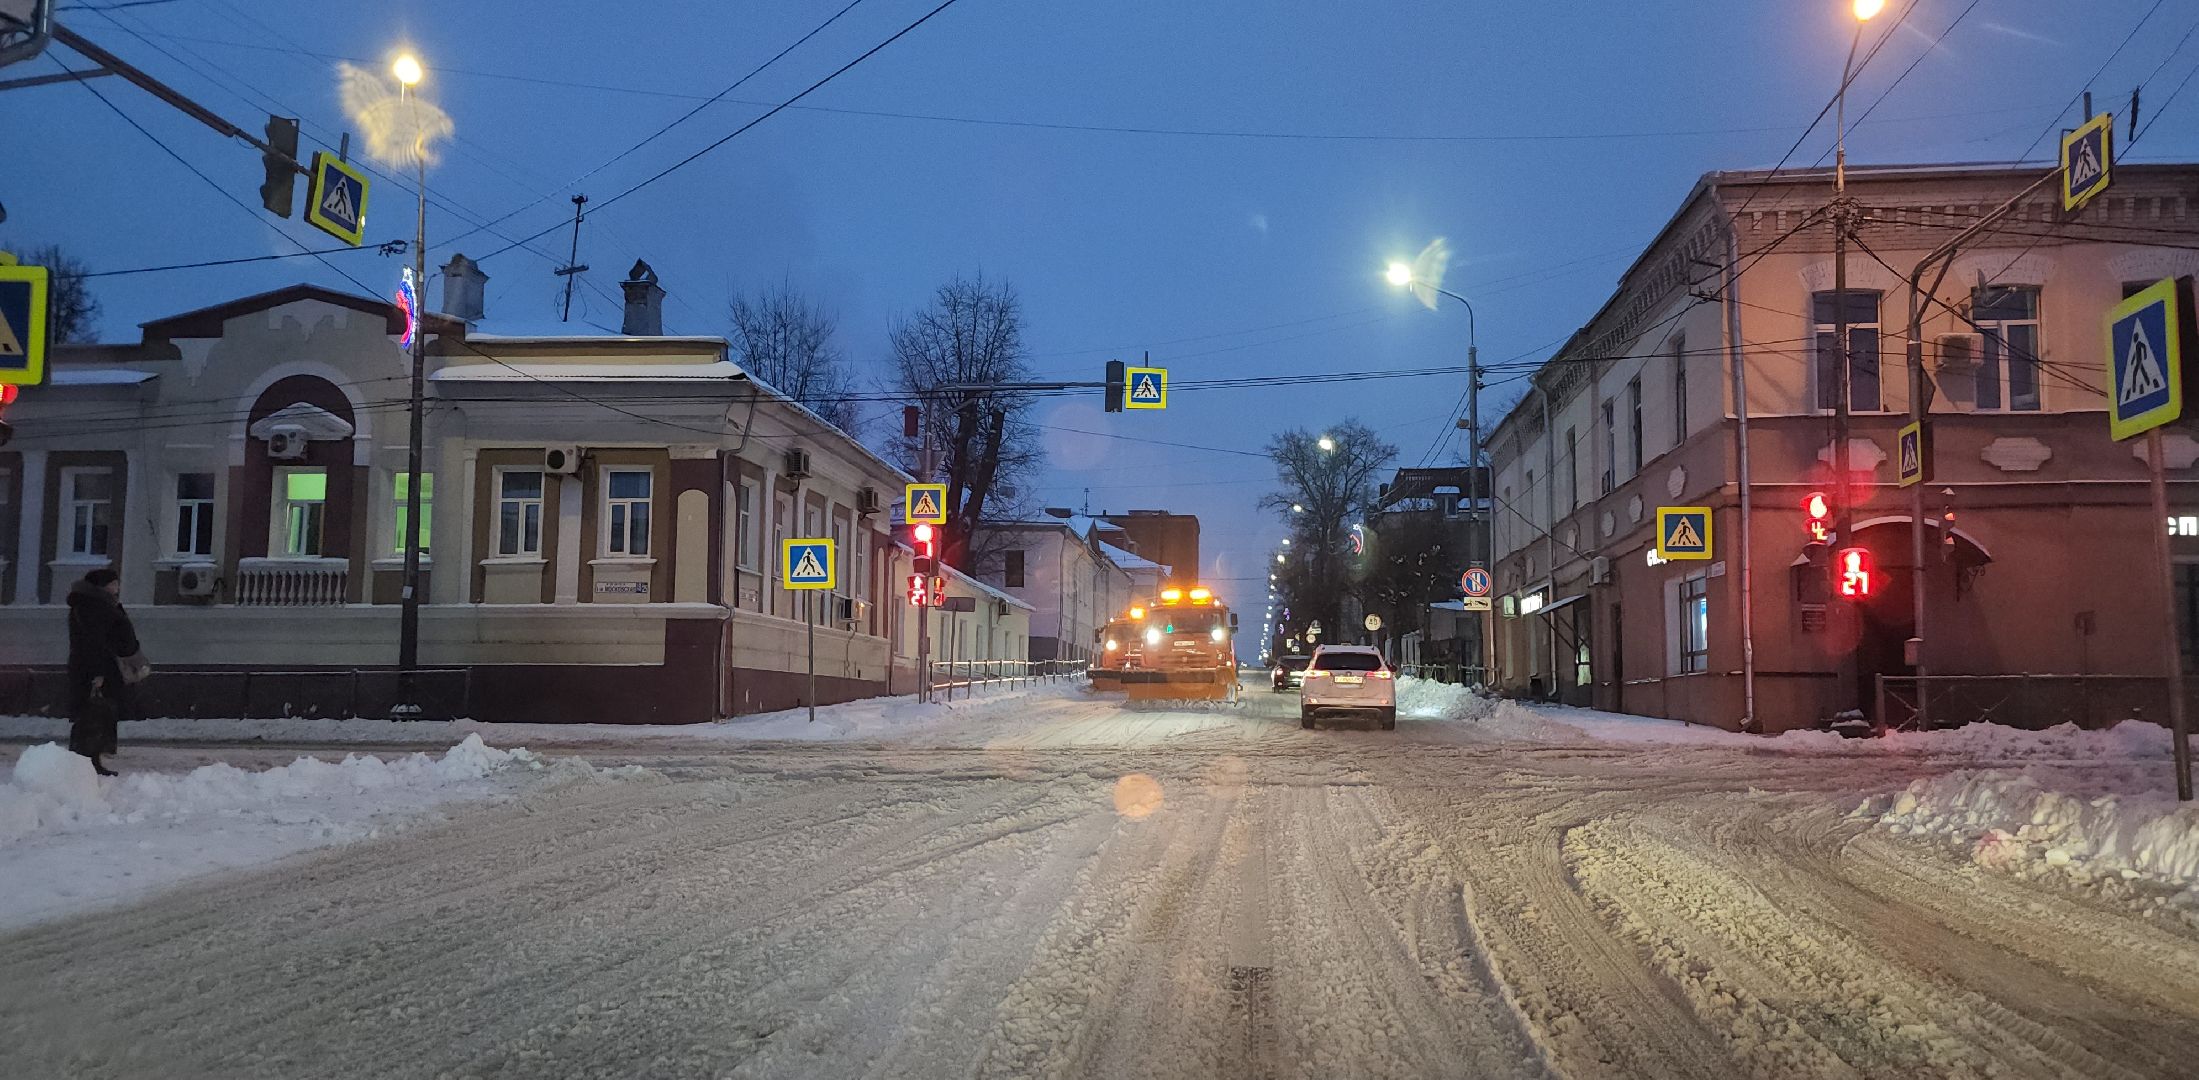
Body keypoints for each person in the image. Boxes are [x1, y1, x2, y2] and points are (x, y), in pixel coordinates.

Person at [66, 568, 143, 777]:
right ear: (103, 585)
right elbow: (93, 642)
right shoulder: (91, 607)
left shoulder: (102, 604)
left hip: (103, 667)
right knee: (93, 715)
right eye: (114, 583)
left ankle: (93, 761)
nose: (118, 586)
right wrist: (97, 673)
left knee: (100, 715)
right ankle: (85, 763)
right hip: (94, 670)